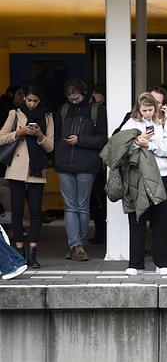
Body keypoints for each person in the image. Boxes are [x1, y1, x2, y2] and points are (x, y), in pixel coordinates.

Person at [116, 92, 167, 275]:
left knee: (161, 219)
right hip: (138, 175)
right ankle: (135, 264)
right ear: (138, 109)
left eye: (150, 109)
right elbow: (120, 145)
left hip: (161, 174)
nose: (148, 113)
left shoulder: (165, 122)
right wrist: (136, 142)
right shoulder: (132, 122)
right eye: (144, 110)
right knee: (137, 219)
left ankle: (162, 262)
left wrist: (149, 144)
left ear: (156, 107)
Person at [0, 85, 54, 268]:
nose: (32, 104)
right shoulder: (14, 114)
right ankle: (19, 251)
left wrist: (39, 134)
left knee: (36, 211)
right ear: (24, 99)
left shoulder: (47, 116)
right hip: (16, 169)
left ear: (40, 101)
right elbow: (1, 138)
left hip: (37, 170)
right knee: (16, 211)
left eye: (35, 101)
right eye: (29, 100)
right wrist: (18, 133)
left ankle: (32, 253)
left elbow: (50, 146)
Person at [55, 79, 107, 261]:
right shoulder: (62, 110)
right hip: (64, 165)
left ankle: (77, 244)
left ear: (84, 94)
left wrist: (80, 140)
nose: (73, 100)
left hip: (87, 165)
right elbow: (56, 138)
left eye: (76, 97)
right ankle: (75, 245)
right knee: (71, 206)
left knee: (82, 206)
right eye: (69, 97)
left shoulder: (97, 111)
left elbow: (103, 139)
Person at [89, 83, 107, 245]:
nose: (93, 98)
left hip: (99, 162)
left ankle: (101, 232)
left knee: (97, 200)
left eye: (95, 95)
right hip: (101, 162)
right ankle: (102, 232)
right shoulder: (96, 111)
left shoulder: (97, 111)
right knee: (100, 199)